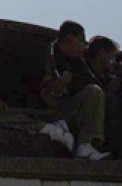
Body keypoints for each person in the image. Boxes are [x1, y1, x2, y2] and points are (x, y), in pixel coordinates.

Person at [38, 20, 111, 159]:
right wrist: (54, 87)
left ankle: (84, 145)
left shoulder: (78, 62)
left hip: (63, 111)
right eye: (82, 41)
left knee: (94, 91)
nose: (85, 46)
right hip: (39, 110)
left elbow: (92, 88)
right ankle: (52, 128)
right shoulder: (43, 53)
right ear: (70, 40)